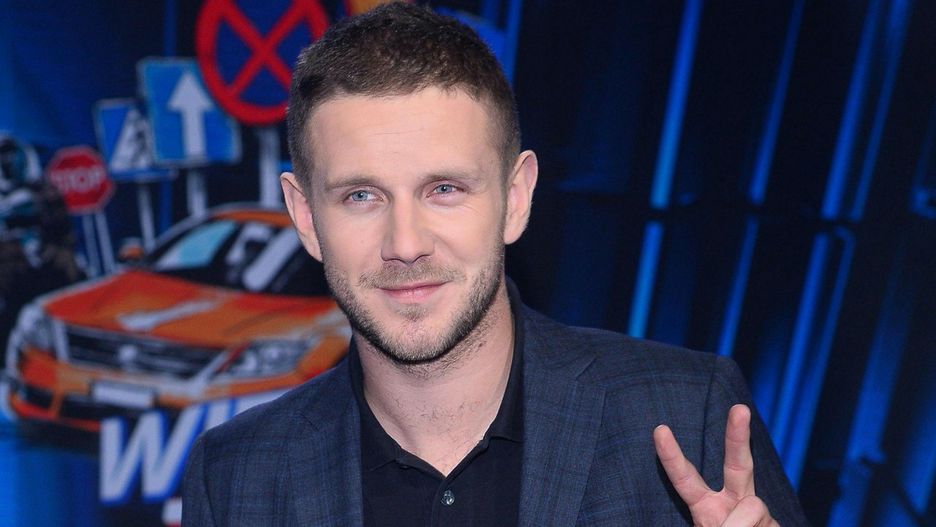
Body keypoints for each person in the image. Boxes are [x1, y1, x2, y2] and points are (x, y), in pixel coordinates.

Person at [182, 3, 807, 525]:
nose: (406, 244)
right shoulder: (235, 476)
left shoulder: (686, 412)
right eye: (362, 196)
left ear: (515, 198)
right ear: (305, 216)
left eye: (444, 189)